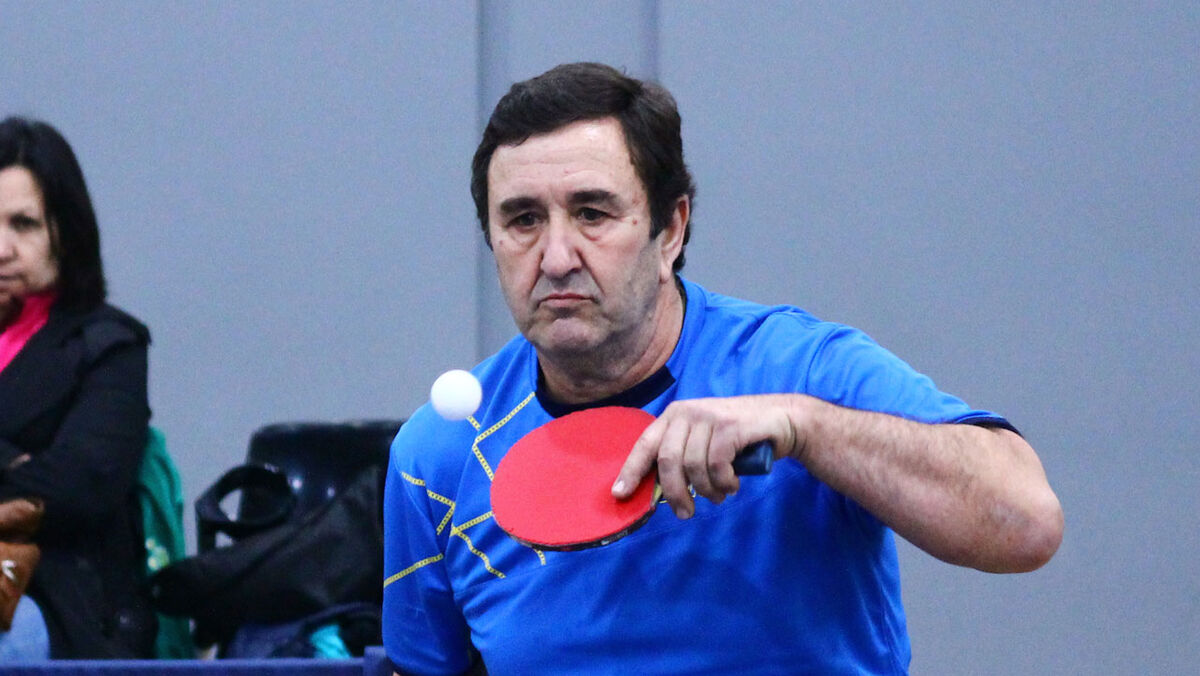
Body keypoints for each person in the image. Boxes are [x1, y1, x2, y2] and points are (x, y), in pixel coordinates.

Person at [383, 63, 1063, 675]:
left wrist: (806, 429)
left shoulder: (800, 372)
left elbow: (1027, 525)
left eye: (592, 213)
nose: (556, 257)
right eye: (523, 220)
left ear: (671, 230)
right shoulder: (437, 454)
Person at [0, 116, 156, 658]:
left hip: (59, 599)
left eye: (23, 224)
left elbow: (80, 487)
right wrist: (16, 462)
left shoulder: (110, 344)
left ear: (66, 233)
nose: (1, 248)